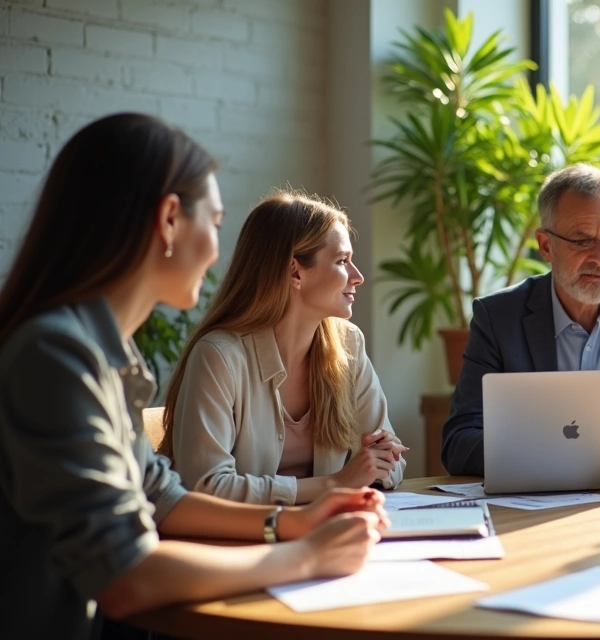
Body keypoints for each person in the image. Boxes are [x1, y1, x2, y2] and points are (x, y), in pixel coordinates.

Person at [0, 113, 386, 639]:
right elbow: (124, 575)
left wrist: (296, 520)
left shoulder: (99, 352)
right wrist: (305, 557)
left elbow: (165, 498)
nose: (218, 252)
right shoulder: (56, 354)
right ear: (169, 220)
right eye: (218, 223)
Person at [441, 163, 600, 480]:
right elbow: (459, 443)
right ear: (546, 246)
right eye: (582, 241)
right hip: (528, 516)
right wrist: (577, 450)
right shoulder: (498, 318)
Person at [163, 191, 408, 505]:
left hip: (326, 534)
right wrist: (333, 484)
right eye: (342, 261)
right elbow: (205, 486)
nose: (357, 277)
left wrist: (382, 462)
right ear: (295, 272)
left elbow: (391, 460)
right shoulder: (220, 356)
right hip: (240, 545)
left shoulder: (349, 345)